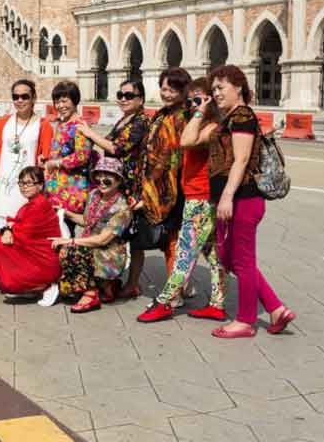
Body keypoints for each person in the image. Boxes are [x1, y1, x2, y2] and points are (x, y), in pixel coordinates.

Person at [192, 65, 295, 338]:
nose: (216, 93)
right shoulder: (227, 118)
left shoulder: (242, 116)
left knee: (243, 261)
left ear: (238, 87)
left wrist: (227, 196)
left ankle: (245, 321)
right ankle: (275, 308)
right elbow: (189, 141)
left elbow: (240, 159)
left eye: (221, 87)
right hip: (232, 200)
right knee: (229, 258)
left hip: (243, 199)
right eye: (213, 88)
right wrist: (203, 110)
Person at [138, 78, 227, 322]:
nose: (191, 105)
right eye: (189, 101)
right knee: (213, 255)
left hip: (201, 196)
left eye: (198, 100)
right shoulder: (200, 122)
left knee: (184, 254)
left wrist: (200, 112)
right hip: (196, 194)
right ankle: (217, 304)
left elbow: (185, 142)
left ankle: (165, 301)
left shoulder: (213, 125)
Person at [121, 69, 190, 300]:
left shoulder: (184, 116)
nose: (167, 94)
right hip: (149, 185)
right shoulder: (162, 114)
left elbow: (172, 157)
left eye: (173, 89)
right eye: (164, 88)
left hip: (171, 187)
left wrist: (150, 192)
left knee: (171, 240)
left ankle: (176, 291)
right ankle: (132, 283)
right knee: (138, 237)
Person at [77, 80, 149, 301]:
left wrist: (89, 133)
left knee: (135, 239)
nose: (124, 99)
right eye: (121, 94)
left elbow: (116, 148)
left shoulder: (141, 121)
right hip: (117, 183)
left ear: (141, 99)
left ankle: (132, 283)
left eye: (129, 95)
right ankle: (111, 281)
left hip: (132, 187)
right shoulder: (124, 120)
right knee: (117, 235)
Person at [53, 157, 132, 313]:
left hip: (109, 254)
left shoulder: (123, 208)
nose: (101, 181)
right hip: (92, 245)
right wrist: (65, 213)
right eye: (98, 176)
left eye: (107, 178)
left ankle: (91, 294)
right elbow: (86, 221)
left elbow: (103, 239)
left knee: (71, 250)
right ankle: (105, 286)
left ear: (118, 181)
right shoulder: (95, 195)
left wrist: (71, 240)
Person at [0, 79, 53, 232]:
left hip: (26, 191)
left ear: (34, 98)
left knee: (22, 237)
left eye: (24, 96)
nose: (19, 100)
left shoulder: (43, 125)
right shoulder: (3, 122)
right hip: (2, 190)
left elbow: (45, 160)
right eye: (15, 97)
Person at [0, 166, 61, 302]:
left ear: (40, 186)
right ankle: (27, 285)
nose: (24, 187)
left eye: (29, 183)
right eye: (21, 183)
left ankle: (41, 285)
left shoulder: (39, 205)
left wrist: (8, 230)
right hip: (37, 253)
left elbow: (24, 234)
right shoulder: (33, 203)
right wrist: (8, 229)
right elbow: (17, 226)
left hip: (43, 259)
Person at [44, 80, 93, 237]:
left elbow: (82, 156)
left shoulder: (79, 125)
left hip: (71, 189)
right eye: (57, 102)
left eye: (64, 101)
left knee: (64, 232)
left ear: (75, 100)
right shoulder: (63, 123)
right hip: (56, 187)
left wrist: (55, 163)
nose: (60, 106)